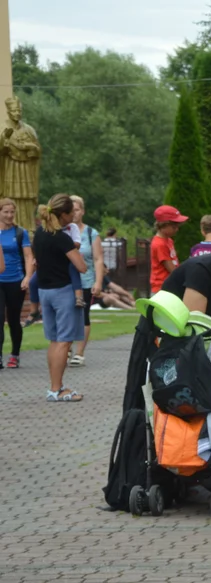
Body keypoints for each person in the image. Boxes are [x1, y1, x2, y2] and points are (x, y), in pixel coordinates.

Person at [33, 194, 88, 402]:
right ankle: (56, 389)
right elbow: (81, 267)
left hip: (44, 291)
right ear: (63, 214)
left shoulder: (39, 234)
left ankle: (56, 386)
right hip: (63, 292)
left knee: (55, 341)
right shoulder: (61, 237)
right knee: (64, 342)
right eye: (71, 212)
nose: (73, 215)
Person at [69, 196, 106, 368]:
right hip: (65, 281)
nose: (74, 213)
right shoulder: (62, 231)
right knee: (65, 315)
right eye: (71, 210)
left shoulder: (91, 233)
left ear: (82, 211)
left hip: (85, 280)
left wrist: (98, 282)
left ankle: (79, 352)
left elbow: (98, 259)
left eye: (77, 210)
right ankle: (65, 346)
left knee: (82, 315)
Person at [0, 96, 41, 229]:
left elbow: (37, 149)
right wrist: (4, 142)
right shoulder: (2, 129)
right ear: (8, 111)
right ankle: (10, 227)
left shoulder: (29, 130)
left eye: (19, 110)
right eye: (14, 110)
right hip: (9, 169)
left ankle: (29, 227)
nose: (17, 113)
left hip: (26, 170)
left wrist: (32, 150)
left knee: (27, 197)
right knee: (10, 196)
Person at [0, 197, 32, 368]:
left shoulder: (20, 233)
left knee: (13, 319)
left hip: (15, 280)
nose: (9, 215)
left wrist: (27, 277)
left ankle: (14, 355)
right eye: (5, 212)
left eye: (12, 212)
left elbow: (28, 256)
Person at [149, 205, 185, 294]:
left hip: (169, 284)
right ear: (163, 225)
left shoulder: (168, 240)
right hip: (162, 287)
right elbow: (171, 269)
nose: (177, 229)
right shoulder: (160, 244)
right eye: (174, 227)